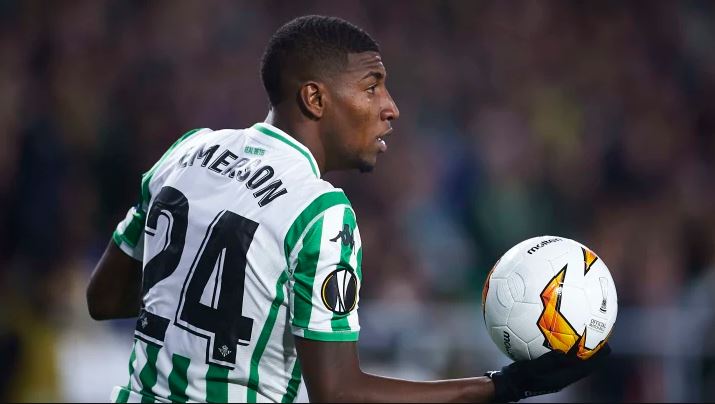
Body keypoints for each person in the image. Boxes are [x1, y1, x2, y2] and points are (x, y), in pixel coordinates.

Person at [87, 15, 609, 403]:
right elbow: (338, 393)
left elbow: (103, 297)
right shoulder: (319, 210)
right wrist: (502, 386)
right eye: (371, 86)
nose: (391, 107)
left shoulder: (188, 150)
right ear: (315, 99)